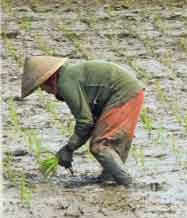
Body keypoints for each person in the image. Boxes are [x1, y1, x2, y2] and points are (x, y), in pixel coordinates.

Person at [21, 56, 145, 185]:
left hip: (125, 93)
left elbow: (85, 122)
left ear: (49, 80)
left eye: (41, 86)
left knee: (100, 146)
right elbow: (90, 122)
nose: (43, 90)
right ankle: (110, 180)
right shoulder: (69, 75)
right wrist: (70, 148)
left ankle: (128, 184)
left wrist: (69, 148)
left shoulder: (65, 83)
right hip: (130, 91)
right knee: (110, 145)